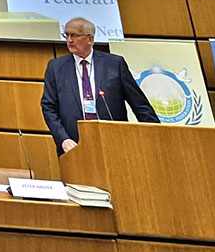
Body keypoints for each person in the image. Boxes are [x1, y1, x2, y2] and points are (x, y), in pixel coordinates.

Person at [41, 17, 159, 156]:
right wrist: (63, 139)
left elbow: (139, 104)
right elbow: (48, 107)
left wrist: (156, 137)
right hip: (73, 145)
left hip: (114, 141)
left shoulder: (115, 64)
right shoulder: (56, 67)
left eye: (74, 35)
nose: (69, 40)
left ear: (90, 39)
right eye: (66, 35)